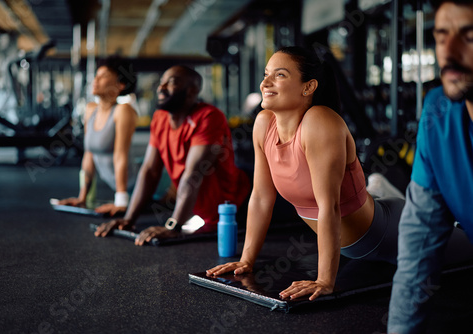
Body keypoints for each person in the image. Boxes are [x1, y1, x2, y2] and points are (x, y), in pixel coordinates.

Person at [206, 46, 406, 301]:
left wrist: (325, 280)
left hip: (387, 234)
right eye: (266, 73)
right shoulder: (264, 123)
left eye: (279, 75)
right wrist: (246, 261)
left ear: (308, 87)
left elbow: (329, 206)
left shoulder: (320, 121)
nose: (265, 82)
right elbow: (260, 197)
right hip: (354, 247)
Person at [388, 1, 473, 333]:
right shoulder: (438, 111)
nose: (449, 52)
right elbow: (419, 245)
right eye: (441, 36)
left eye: (469, 36)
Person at [94, 65, 251, 244]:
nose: (161, 88)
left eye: (172, 83)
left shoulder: (208, 117)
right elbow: (150, 171)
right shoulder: (160, 117)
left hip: (240, 205)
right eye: (161, 83)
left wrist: (173, 226)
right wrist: (129, 219)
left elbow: (193, 173)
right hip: (203, 211)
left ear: (192, 91)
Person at [58, 56, 138, 216]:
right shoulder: (90, 110)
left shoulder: (123, 111)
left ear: (120, 85)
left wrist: (121, 202)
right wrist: (82, 197)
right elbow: (89, 154)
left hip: (141, 185)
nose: (95, 80)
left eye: (103, 76)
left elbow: (120, 156)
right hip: (124, 188)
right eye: (96, 75)